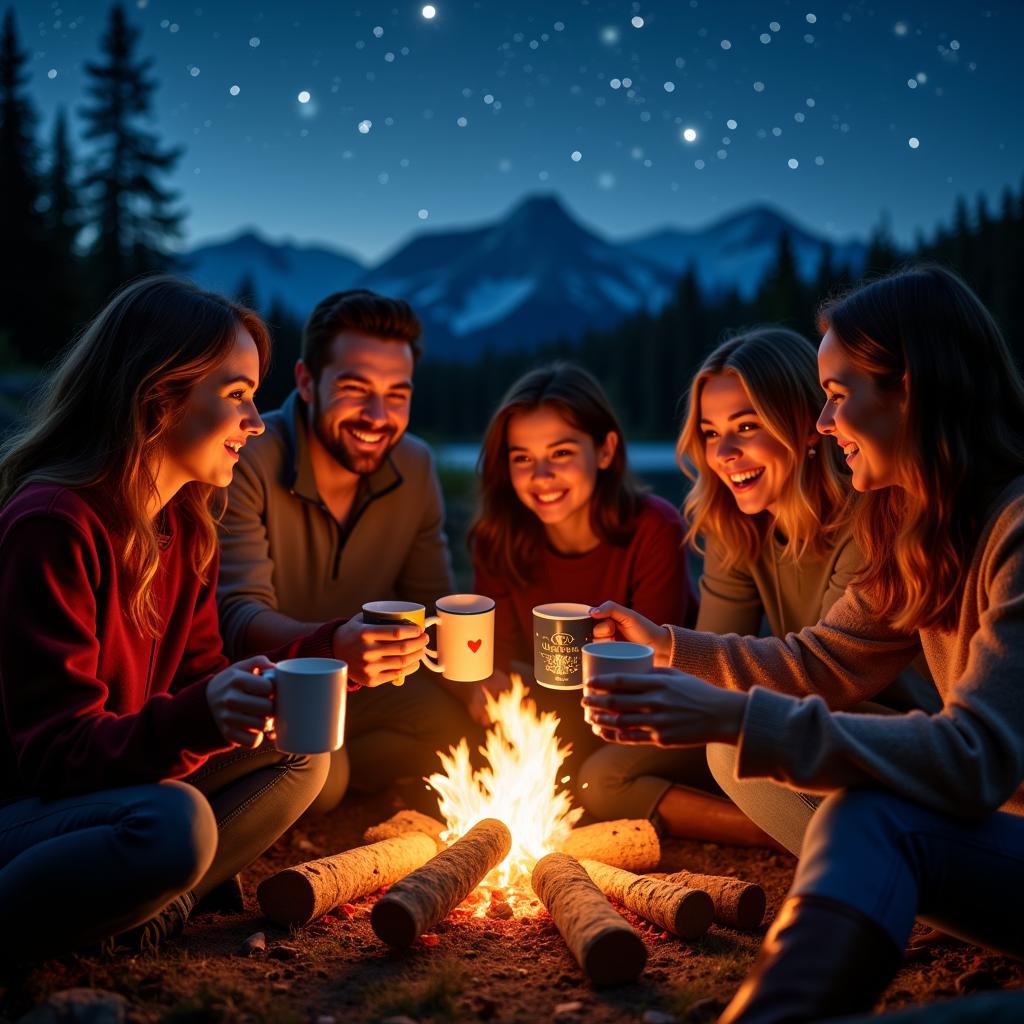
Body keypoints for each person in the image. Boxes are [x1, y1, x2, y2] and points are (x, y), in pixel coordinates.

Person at [584, 265, 1024, 1022]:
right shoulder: (924, 530)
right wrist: (663, 645)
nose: (825, 424)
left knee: (865, 810)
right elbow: (817, 661)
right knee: (862, 813)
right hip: (992, 838)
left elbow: (976, 757)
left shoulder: (1014, 527)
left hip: (989, 818)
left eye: (839, 395)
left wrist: (729, 718)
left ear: (911, 389)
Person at [0, 277, 387, 959]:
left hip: (117, 783)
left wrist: (336, 656)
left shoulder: (183, 527)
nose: (257, 422)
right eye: (237, 395)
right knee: (174, 826)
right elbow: (54, 758)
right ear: (159, 398)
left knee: (306, 745)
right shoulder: (51, 527)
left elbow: (203, 677)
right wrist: (201, 716)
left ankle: (154, 904)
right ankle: (85, 910)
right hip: (32, 811)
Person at [578, 327, 899, 848]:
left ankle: (855, 846)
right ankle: (780, 829)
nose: (723, 452)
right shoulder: (735, 525)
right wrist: (654, 656)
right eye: (709, 432)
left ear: (805, 424)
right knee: (603, 775)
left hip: (885, 733)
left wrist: (667, 647)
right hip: (794, 711)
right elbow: (711, 679)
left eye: (746, 426)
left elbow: (827, 674)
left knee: (734, 743)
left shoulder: (871, 524)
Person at [218, 289, 476, 813]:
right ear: (308, 382)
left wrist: (476, 677)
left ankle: (349, 768)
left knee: (460, 734)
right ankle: (334, 776)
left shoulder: (416, 466)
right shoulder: (245, 457)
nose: (378, 416)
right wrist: (335, 644)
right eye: (356, 388)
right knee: (323, 780)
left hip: (373, 687)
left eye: (397, 395)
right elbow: (238, 616)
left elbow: (431, 604)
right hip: (275, 681)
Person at [470, 362, 696, 783]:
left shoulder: (654, 529)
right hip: (547, 706)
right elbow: (492, 659)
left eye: (561, 454)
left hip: (645, 707)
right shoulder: (498, 537)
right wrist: (487, 688)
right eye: (522, 458)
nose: (541, 476)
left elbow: (655, 668)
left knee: (599, 780)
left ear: (605, 450)